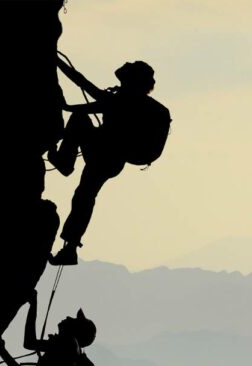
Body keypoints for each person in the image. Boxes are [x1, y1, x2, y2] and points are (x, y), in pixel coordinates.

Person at [47, 58, 170, 266]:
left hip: (103, 154)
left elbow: (82, 84)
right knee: (85, 195)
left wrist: (55, 61)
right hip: (114, 159)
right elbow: (85, 87)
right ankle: (70, 248)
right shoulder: (142, 105)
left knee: (84, 194)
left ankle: (65, 161)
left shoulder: (123, 101)